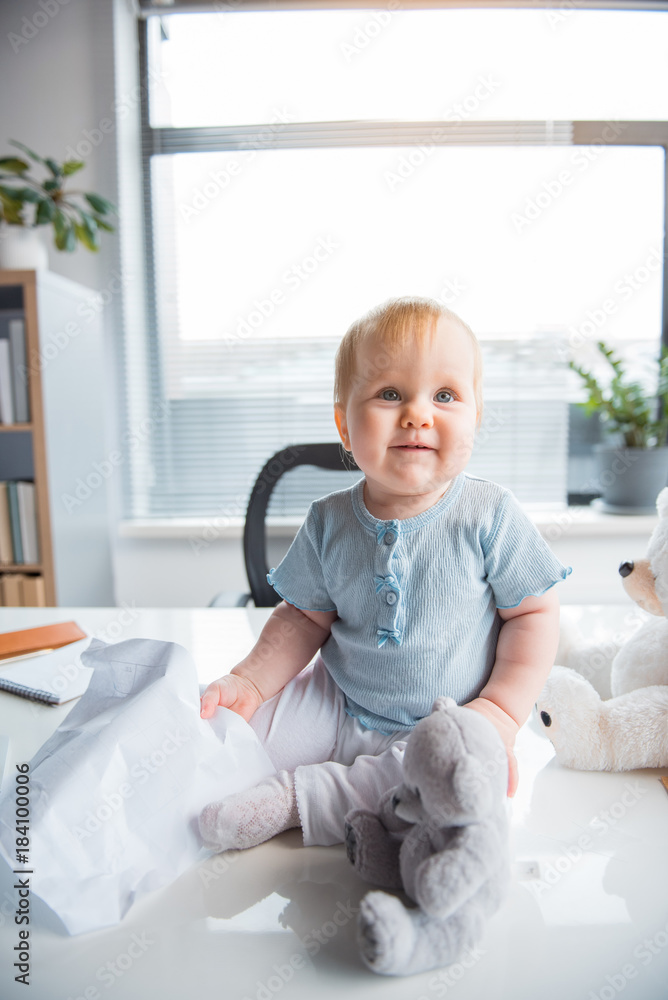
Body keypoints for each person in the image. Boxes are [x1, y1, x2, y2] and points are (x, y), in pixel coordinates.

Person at [199, 296, 570, 851]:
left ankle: (300, 799)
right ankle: (212, 778)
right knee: (229, 729)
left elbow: (534, 614)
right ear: (345, 425)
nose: (417, 413)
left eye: (445, 395)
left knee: (458, 776)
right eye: (390, 393)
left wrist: (499, 710)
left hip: (444, 718)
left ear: (475, 418)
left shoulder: (490, 515)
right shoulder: (329, 520)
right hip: (337, 700)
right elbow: (302, 617)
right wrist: (250, 682)